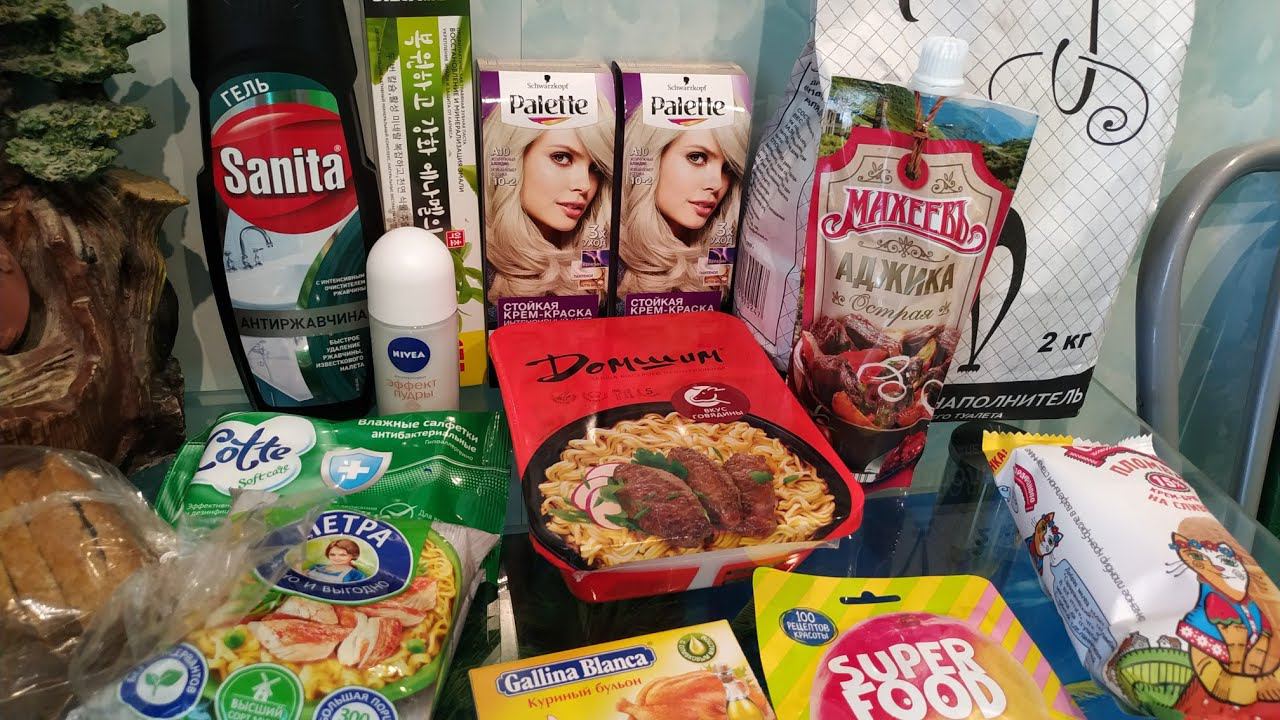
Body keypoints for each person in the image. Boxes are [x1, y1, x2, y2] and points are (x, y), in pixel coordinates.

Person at [483, 97, 614, 303]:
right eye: (561, 157)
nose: (585, 185)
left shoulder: (602, 257)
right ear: (512, 157)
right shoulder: (476, 268)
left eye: (595, 168)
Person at [618, 93, 750, 298]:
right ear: (650, 157)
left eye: (728, 169)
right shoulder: (607, 261)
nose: (716, 184)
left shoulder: (729, 266)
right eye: (696, 157)